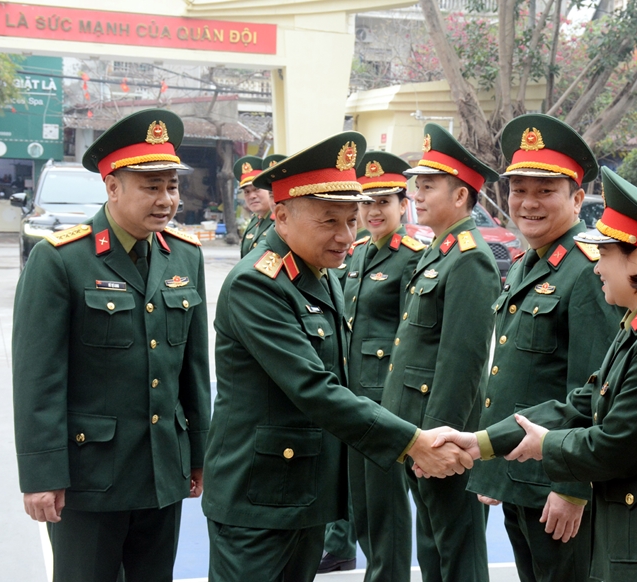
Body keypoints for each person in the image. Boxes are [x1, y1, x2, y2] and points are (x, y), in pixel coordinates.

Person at [201, 131, 474, 582]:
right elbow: (314, 387)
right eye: (330, 221)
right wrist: (412, 441)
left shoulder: (320, 272)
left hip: (304, 491)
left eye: (351, 220)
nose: (346, 236)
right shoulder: (257, 284)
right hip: (258, 497)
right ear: (281, 216)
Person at [428, 167, 637, 581]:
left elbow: (615, 443)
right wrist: (482, 443)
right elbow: (582, 402)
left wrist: (548, 450)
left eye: (606, 256)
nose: (597, 268)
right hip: (632, 529)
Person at [13, 108, 210, 582]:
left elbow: (194, 369)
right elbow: (38, 377)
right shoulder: (61, 260)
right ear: (113, 186)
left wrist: (199, 454)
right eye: (151, 187)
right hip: (90, 477)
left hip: (163, 470)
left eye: (172, 187)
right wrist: (42, 476)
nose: (166, 200)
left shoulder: (185, 256)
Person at [466, 114, 623, 582]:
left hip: (554, 483)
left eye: (545, 190)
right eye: (518, 190)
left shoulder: (588, 271)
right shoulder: (525, 263)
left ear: (577, 198)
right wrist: (493, 468)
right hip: (518, 475)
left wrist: (573, 487)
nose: (528, 203)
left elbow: (592, 388)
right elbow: (512, 374)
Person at [381, 123, 501, 582]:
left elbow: (461, 364)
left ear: (460, 195)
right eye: (418, 186)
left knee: (457, 554)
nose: (417, 195)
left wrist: (438, 442)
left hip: (444, 439)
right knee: (433, 548)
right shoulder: (439, 251)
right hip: (418, 431)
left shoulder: (470, 259)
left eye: (428, 186)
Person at [326, 151, 424, 580]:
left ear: (403, 205)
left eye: (383, 202)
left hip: (386, 397)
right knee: (362, 503)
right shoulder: (359, 251)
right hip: (353, 394)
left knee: (386, 505)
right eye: (365, 203)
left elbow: (412, 335)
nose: (373, 212)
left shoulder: (412, 256)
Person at [235, 154, 277, 258]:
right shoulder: (255, 220)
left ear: (270, 189)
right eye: (247, 192)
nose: (252, 196)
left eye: (256, 189)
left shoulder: (280, 221)